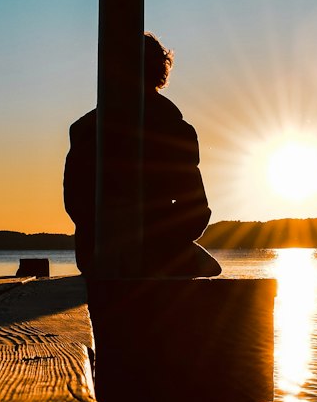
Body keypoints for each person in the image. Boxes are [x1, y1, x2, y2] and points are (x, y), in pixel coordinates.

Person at [63, 33, 222, 277]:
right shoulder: (178, 131)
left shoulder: (84, 129)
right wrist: (163, 240)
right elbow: (196, 211)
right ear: (160, 72)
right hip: (157, 252)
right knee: (212, 270)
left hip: (95, 254)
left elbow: (75, 202)